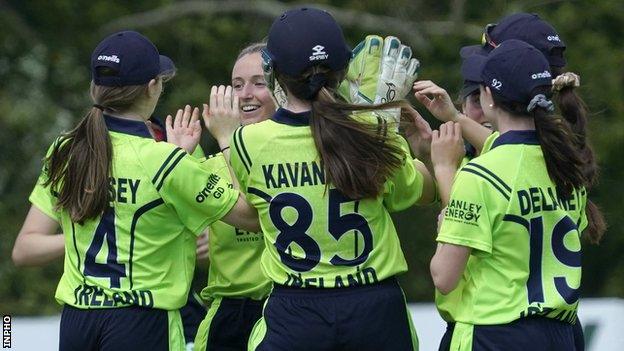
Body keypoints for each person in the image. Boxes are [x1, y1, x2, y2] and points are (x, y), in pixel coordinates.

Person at [205, 7, 437, 351]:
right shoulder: (373, 131)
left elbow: (245, 210)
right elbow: (423, 192)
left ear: (274, 74)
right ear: (342, 71)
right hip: (374, 309)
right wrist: (407, 145)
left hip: (296, 311)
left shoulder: (247, 142)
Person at [12, 30, 259, 351]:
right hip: (141, 320)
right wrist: (227, 138)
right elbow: (251, 218)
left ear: (95, 88)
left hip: (77, 321)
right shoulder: (164, 159)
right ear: (152, 87)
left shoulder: (66, 148)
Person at [429, 39, 606, 350]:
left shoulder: (479, 174)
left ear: (488, 98)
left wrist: (446, 226)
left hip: (495, 334)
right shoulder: (566, 165)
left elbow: (444, 277)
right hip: (560, 335)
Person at [193, 43, 275, 351]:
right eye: (237, 85)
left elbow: (256, 213)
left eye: (259, 82)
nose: (245, 94)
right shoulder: (209, 167)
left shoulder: (302, 154)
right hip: (228, 317)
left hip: (287, 306)